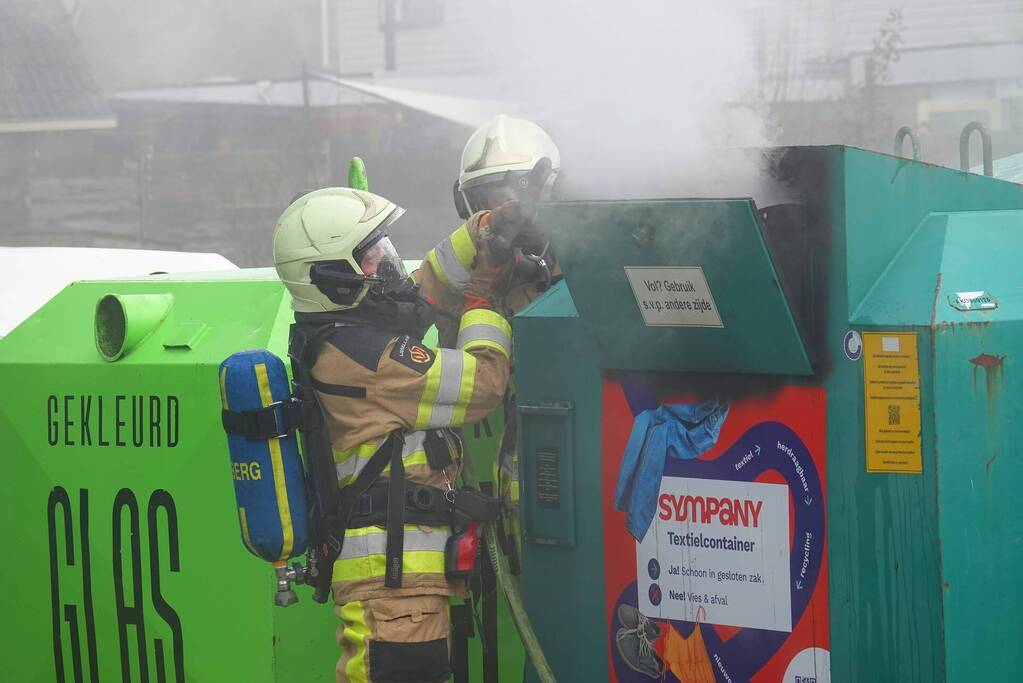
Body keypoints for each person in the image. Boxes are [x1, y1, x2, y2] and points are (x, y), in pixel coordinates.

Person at [272, 186, 515, 682]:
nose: (385, 262)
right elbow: (485, 383)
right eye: (369, 256)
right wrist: (484, 300)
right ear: (334, 278)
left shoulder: (341, 332)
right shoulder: (371, 360)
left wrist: (483, 229)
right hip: (393, 590)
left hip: (400, 583)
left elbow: (425, 288)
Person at [414, 114, 562, 566]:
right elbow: (423, 291)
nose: (502, 208)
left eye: (509, 195)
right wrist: (484, 236)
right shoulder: (480, 258)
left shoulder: (585, 256)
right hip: (514, 474)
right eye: (484, 199)